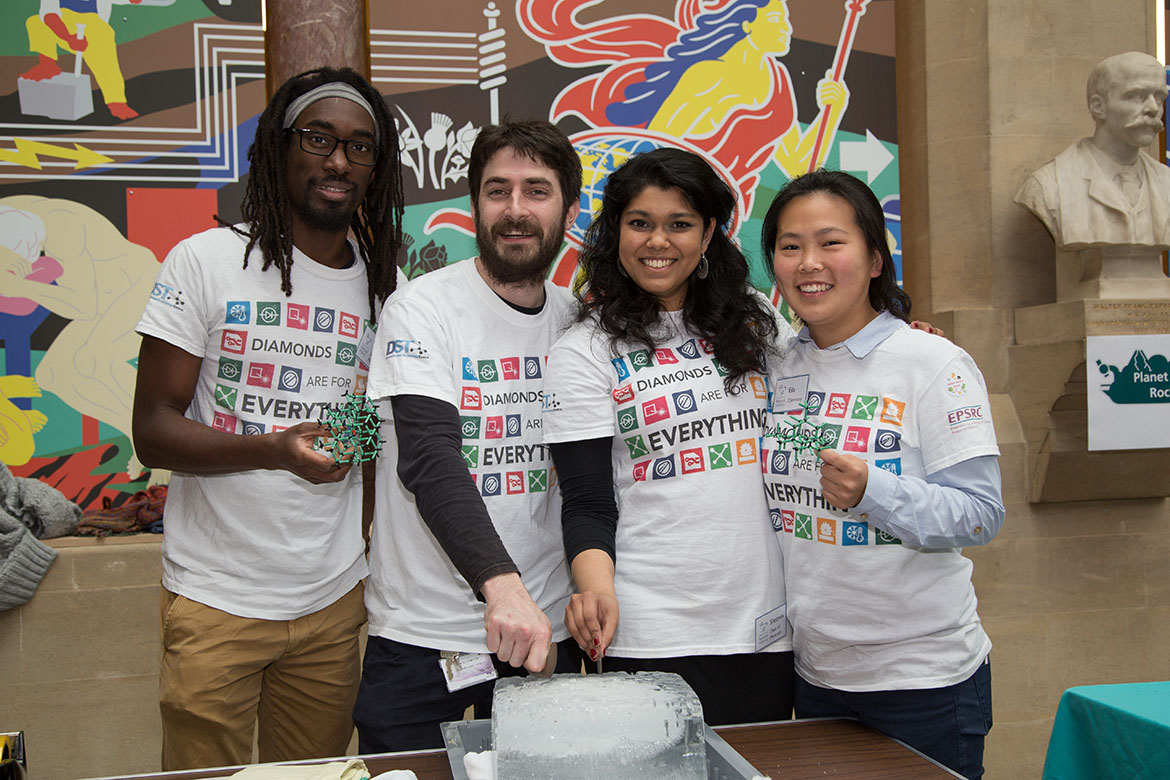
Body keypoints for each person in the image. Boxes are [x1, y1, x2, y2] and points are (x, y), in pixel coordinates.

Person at [132, 66, 404, 771]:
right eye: (319, 139)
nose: (339, 160)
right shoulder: (205, 262)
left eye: (360, 146)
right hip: (216, 597)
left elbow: (366, 431)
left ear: (376, 168)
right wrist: (275, 449)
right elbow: (153, 429)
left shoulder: (387, 289)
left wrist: (364, 540)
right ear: (279, 147)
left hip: (331, 602)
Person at [760, 169, 1004, 779]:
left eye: (831, 242)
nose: (809, 263)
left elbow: (981, 513)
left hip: (923, 681)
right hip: (816, 675)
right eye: (790, 246)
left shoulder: (932, 362)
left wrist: (877, 491)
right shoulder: (773, 362)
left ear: (874, 258)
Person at [541, 147, 797, 725]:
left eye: (679, 224)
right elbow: (586, 501)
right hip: (647, 632)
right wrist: (596, 591)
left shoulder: (756, 321)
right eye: (640, 223)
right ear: (616, 232)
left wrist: (899, 347)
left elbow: (826, 380)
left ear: (708, 233)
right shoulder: (585, 350)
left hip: (763, 629)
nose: (658, 241)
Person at [354, 119, 584, 752]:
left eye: (537, 190)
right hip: (423, 634)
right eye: (497, 190)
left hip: (542, 632)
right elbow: (429, 458)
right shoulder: (422, 308)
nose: (515, 209)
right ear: (475, 205)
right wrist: (501, 586)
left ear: (569, 209)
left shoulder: (578, 321)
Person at [1016, 51, 1170, 249]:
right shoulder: (1050, 185)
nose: (1154, 109)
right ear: (1099, 107)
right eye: (1138, 97)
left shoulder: (1165, 181)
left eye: (1159, 98)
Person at [22, 0, 144, 120]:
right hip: (62, 28)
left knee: (106, 61)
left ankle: (116, 102)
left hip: (94, 30)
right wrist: (69, 38)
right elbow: (49, 15)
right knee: (35, 22)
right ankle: (47, 65)